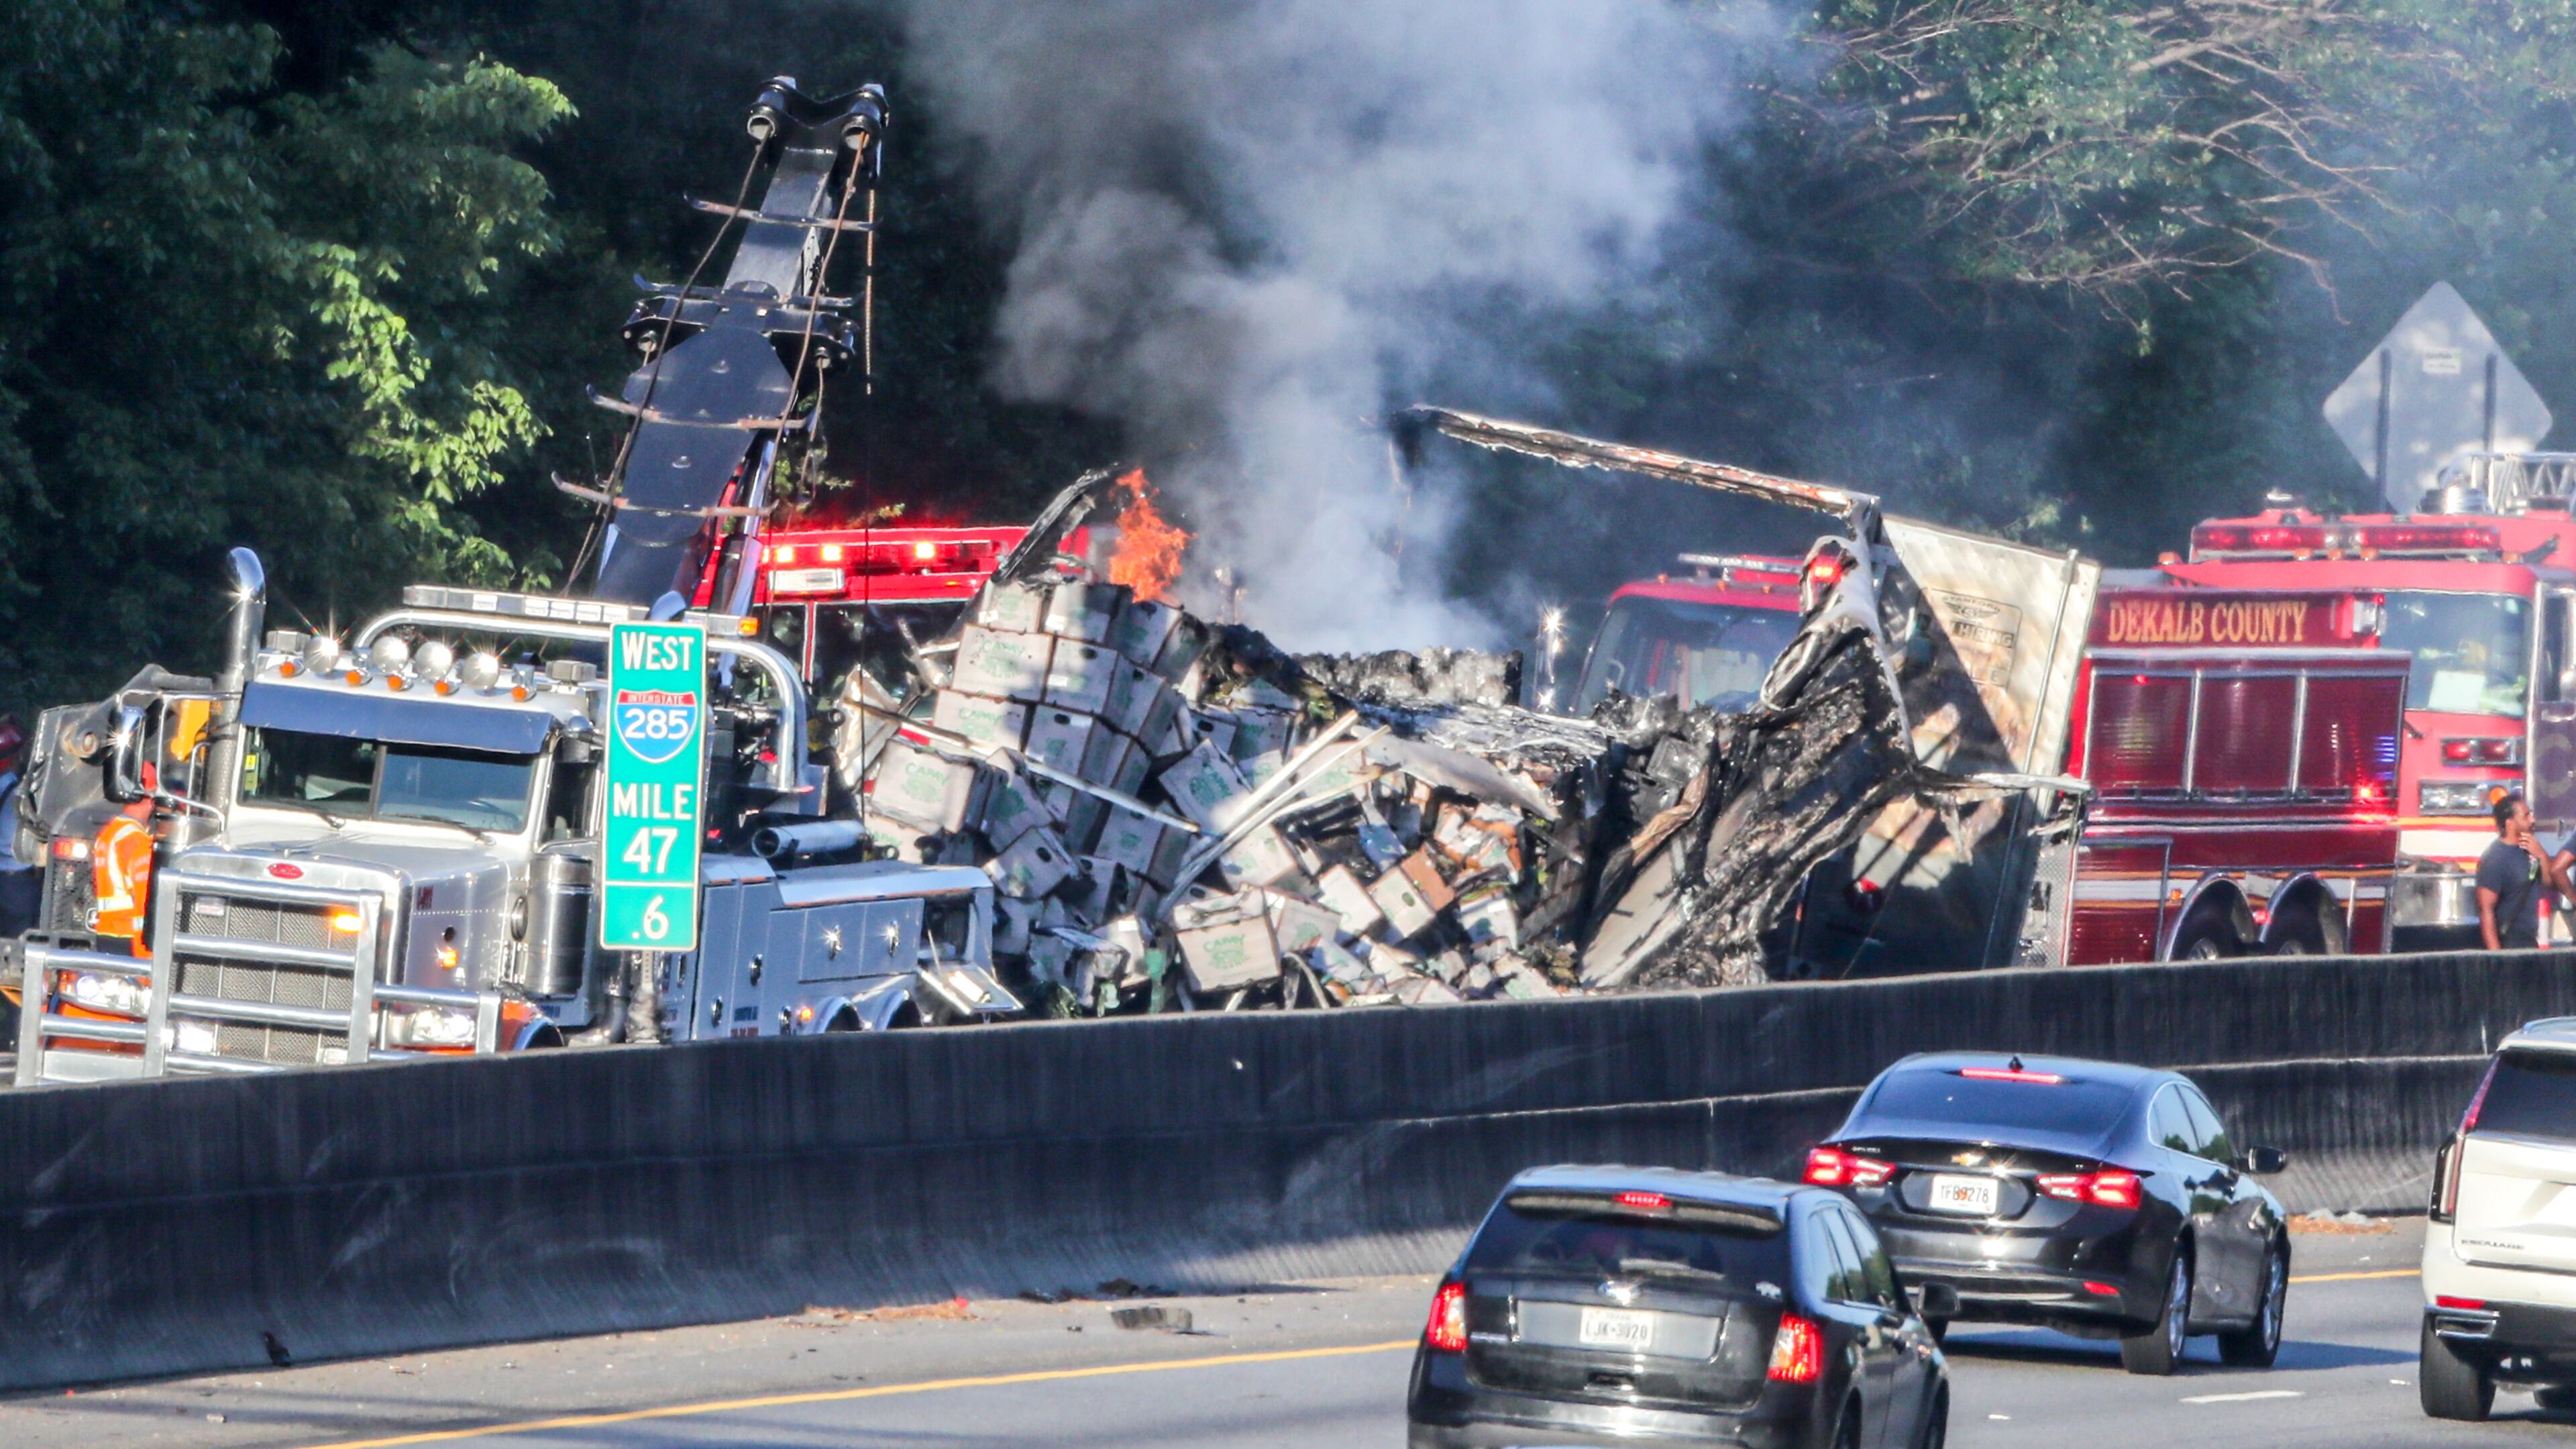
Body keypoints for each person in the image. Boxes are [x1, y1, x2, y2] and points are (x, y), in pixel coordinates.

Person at [2477, 793, 2574, 950]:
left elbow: (2549, 883)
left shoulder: (2530, 849)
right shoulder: (2494, 859)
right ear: (2510, 823)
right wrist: (2496, 957)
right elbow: (2486, 911)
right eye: (2526, 816)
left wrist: (2542, 855)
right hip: (2508, 945)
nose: (2533, 821)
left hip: (2529, 943)